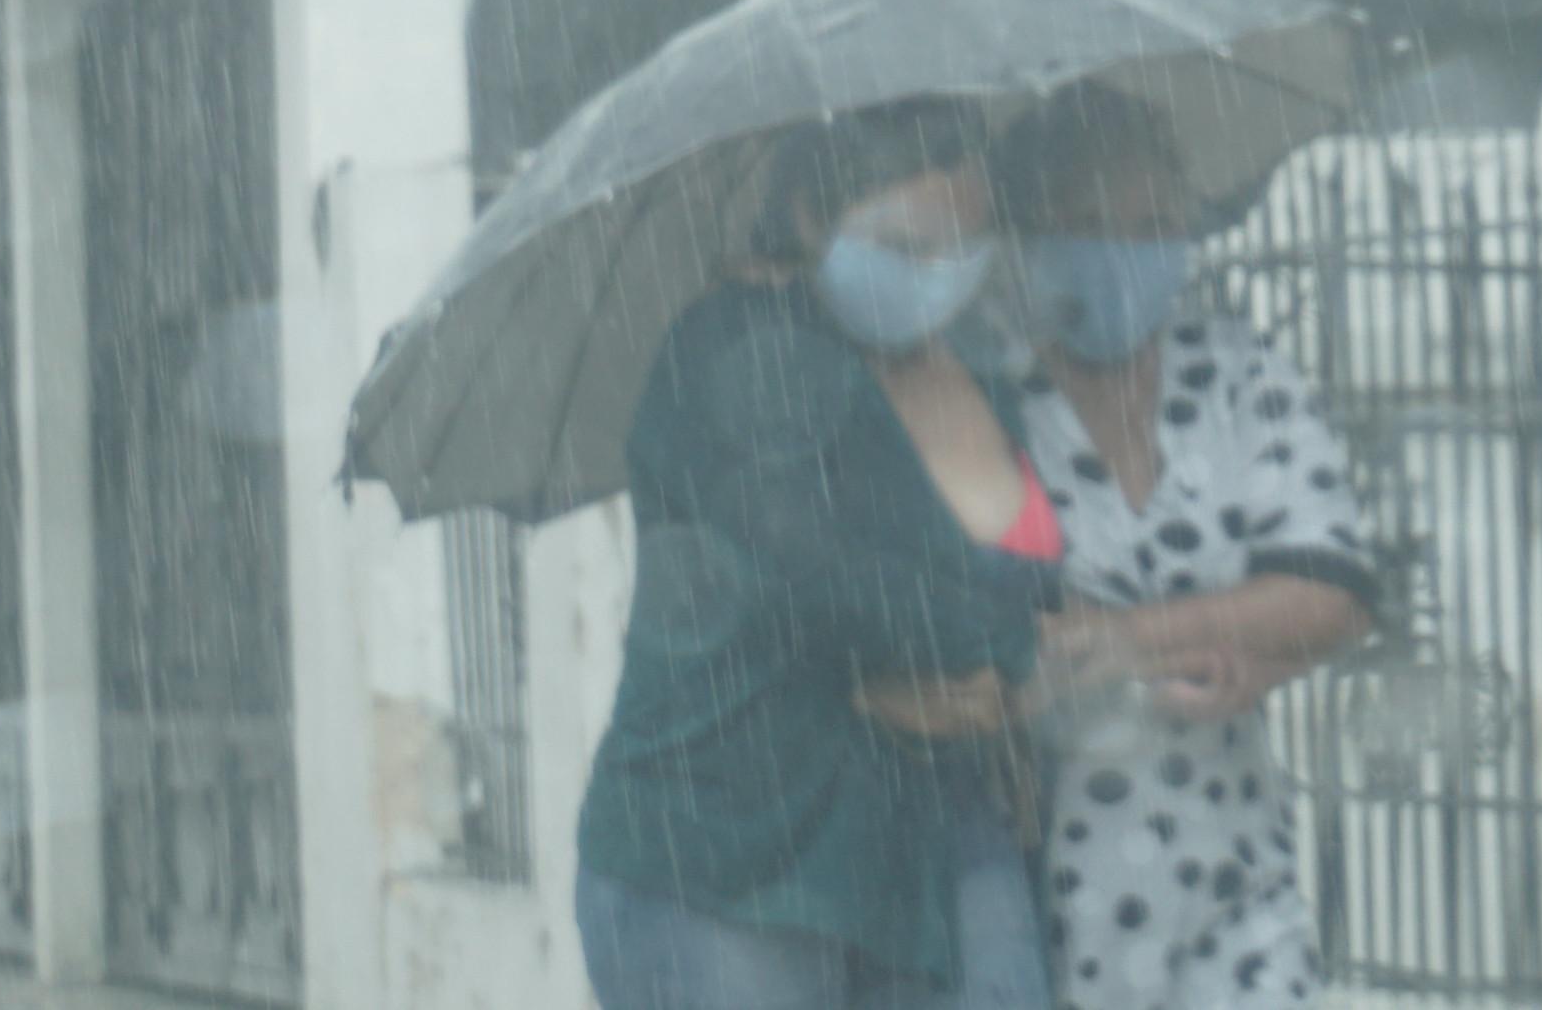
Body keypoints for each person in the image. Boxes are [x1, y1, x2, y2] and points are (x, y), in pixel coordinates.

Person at [573, 98, 1065, 1010]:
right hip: (731, 860)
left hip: (928, 853)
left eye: (966, 243)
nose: (939, 271)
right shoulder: (736, 346)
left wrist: (1000, 677)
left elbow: (1026, 580)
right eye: (906, 243)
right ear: (808, 217)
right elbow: (812, 567)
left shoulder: (979, 373)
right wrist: (998, 652)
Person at [999, 81, 1376, 1009]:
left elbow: (1332, 589)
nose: (1127, 249)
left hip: (1235, 874)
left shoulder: (1234, 368)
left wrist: (1129, 638)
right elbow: (1015, 641)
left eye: (1155, 222)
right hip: (1057, 893)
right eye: (1092, 223)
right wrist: (1232, 627)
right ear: (1031, 235)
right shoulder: (990, 397)